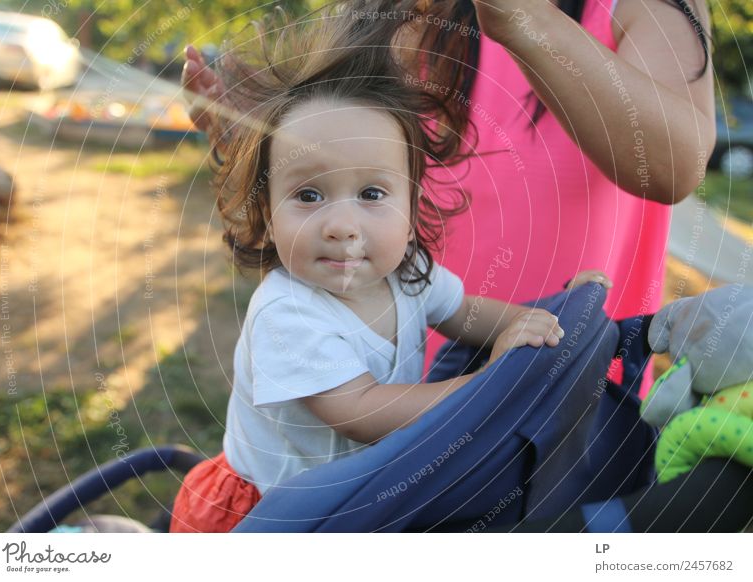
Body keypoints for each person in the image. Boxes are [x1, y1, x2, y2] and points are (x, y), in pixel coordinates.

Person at [169, 2, 611, 532]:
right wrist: (492, 382)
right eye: (309, 194)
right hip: (265, 518)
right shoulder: (287, 316)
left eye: (372, 193)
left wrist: (529, 325)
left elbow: (464, 312)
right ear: (267, 211)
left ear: (411, 203)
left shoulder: (405, 269)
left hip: (355, 502)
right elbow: (362, 413)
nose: (342, 224)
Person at [182, 0, 715, 391]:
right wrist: (268, 141)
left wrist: (522, 17)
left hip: (563, 398)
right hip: (395, 391)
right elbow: (356, 166)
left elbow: (671, 164)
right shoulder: (418, 13)